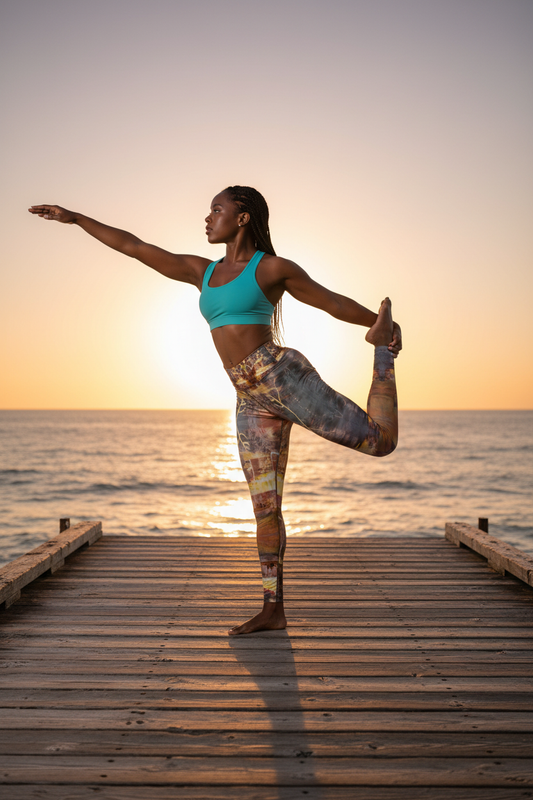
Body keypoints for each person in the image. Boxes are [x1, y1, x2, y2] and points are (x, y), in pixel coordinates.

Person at [29, 186, 401, 635]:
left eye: (217, 210)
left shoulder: (272, 268)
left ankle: (383, 354)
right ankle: (272, 608)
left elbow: (328, 300)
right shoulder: (201, 271)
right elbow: (135, 247)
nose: (207, 217)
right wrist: (76, 218)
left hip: (283, 378)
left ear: (242, 218)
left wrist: (379, 325)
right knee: (265, 507)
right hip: (248, 397)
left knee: (380, 442)